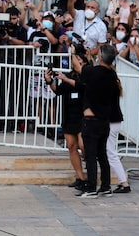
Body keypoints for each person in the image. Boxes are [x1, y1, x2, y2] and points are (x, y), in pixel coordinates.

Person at [75, 44, 120, 198]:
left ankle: (91, 187)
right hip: (104, 121)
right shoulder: (112, 75)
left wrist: (74, 52)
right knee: (102, 155)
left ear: (100, 57)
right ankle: (106, 186)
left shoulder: (92, 72)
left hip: (91, 120)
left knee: (91, 155)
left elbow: (80, 69)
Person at [46, 48, 87, 191]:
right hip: (69, 115)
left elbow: (83, 88)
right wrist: (49, 81)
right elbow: (57, 91)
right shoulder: (68, 75)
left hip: (83, 116)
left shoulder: (87, 75)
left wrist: (73, 51)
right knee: (71, 146)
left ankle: (90, 164)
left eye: (80, 60)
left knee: (83, 145)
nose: (77, 62)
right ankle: (80, 177)